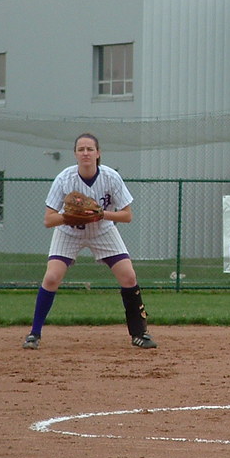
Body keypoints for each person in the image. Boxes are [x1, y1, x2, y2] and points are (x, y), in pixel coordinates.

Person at [22, 132, 157, 350]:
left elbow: (127, 215)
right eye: (81, 149)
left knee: (129, 276)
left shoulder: (110, 177)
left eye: (90, 149)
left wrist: (100, 214)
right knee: (52, 277)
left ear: (98, 153)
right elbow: (49, 220)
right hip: (69, 232)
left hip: (102, 230)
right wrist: (72, 216)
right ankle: (34, 334)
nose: (85, 153)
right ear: (75, 154)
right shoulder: (65, 179)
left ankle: (140, 333)